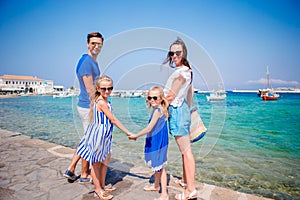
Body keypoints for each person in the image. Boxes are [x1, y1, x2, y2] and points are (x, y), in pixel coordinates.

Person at [77, 75, 132, 200]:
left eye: (110, 88)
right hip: (98, 136)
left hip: (105, 136)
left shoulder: (106, 101)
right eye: (103, 89)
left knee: (103, 162)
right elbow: (112, 119)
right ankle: (98, 190)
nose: (107, 91)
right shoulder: (101, 102)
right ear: (98, 89)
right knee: (96, 164)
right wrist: (127, 132)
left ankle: (101, 186)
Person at [63, 32, 104, 183]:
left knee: (87, 138)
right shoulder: (86, 61)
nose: (96, 46)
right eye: (93, 43)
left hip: (88, 105)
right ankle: (72, 167)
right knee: (88, 139)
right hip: (89, 107)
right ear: (87, 44)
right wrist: (100, 106)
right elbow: (89, 89)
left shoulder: (92, 61)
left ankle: (84, 173)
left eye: (99, 44)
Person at [163, 38, 197, 200]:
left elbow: (170, 96)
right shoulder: (188, 71)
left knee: (186, 152)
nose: (175, 55)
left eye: (178, 52)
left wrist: (157, 112)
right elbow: (189, 95)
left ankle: (191, 190)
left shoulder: (181, 73)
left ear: (184, 53)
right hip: (182, 110)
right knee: (186, 151)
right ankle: (185, 181)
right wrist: (189, 112)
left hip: (177, 112)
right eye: (172, 53)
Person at [128, 86, 169, 200]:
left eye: (155, 98)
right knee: (157, 165)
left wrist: (136, 135)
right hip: (158, 139)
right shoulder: (160, 109)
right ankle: (156, 186)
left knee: (161, 167)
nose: (152, 100)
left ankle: (164, 194)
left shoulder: (158, 111)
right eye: (149, 98)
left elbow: (149, 128)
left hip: (158, 141)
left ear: (161, 98)